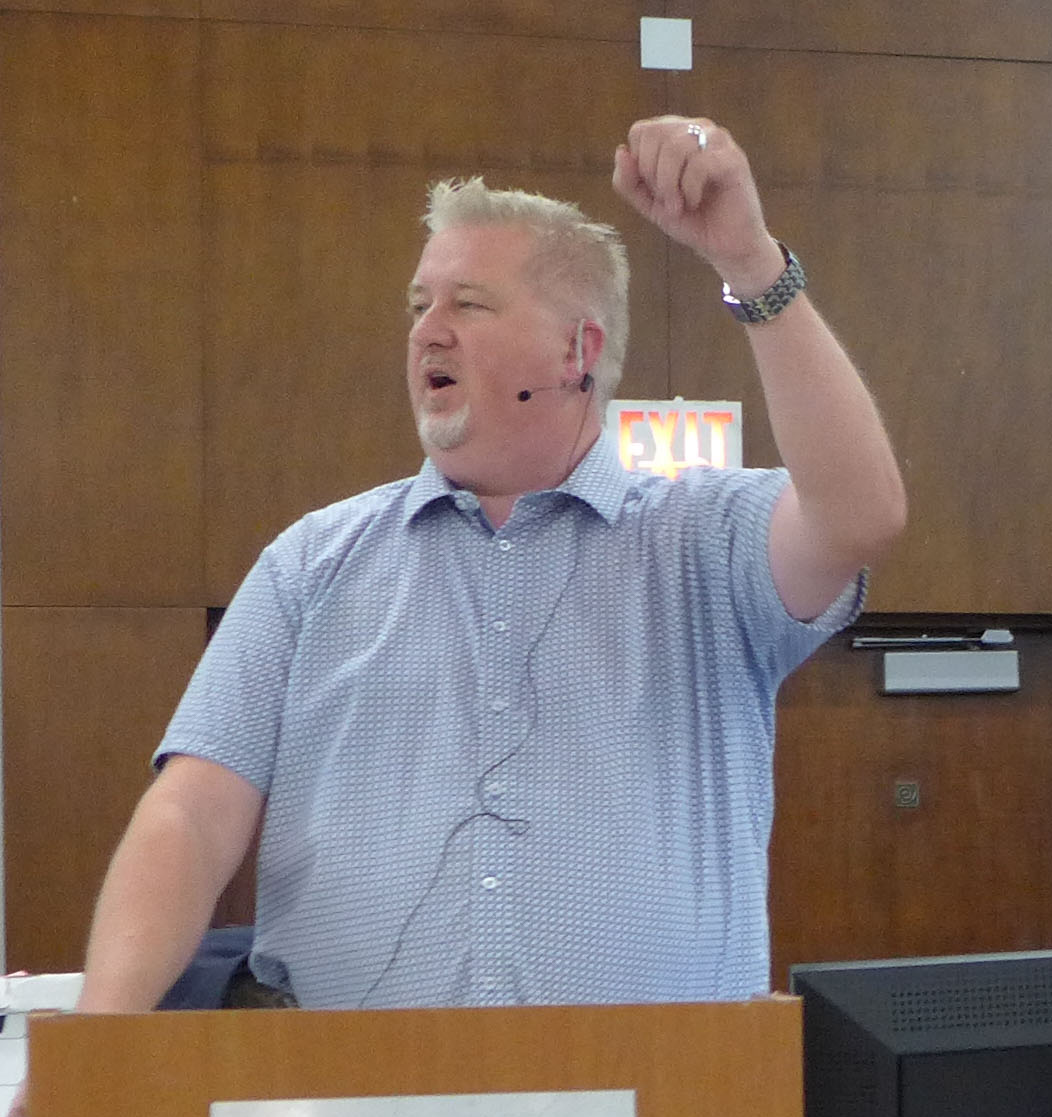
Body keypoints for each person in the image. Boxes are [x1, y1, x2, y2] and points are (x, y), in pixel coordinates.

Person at [49, 116, 903, 1046]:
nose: (427, 333)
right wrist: (102, 1037)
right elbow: (192, 815)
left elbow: (862, 515)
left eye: (468, 304)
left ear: (578, 352)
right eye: (418, 305)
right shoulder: (311, 562)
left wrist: (749, 259)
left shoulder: (704, 542)